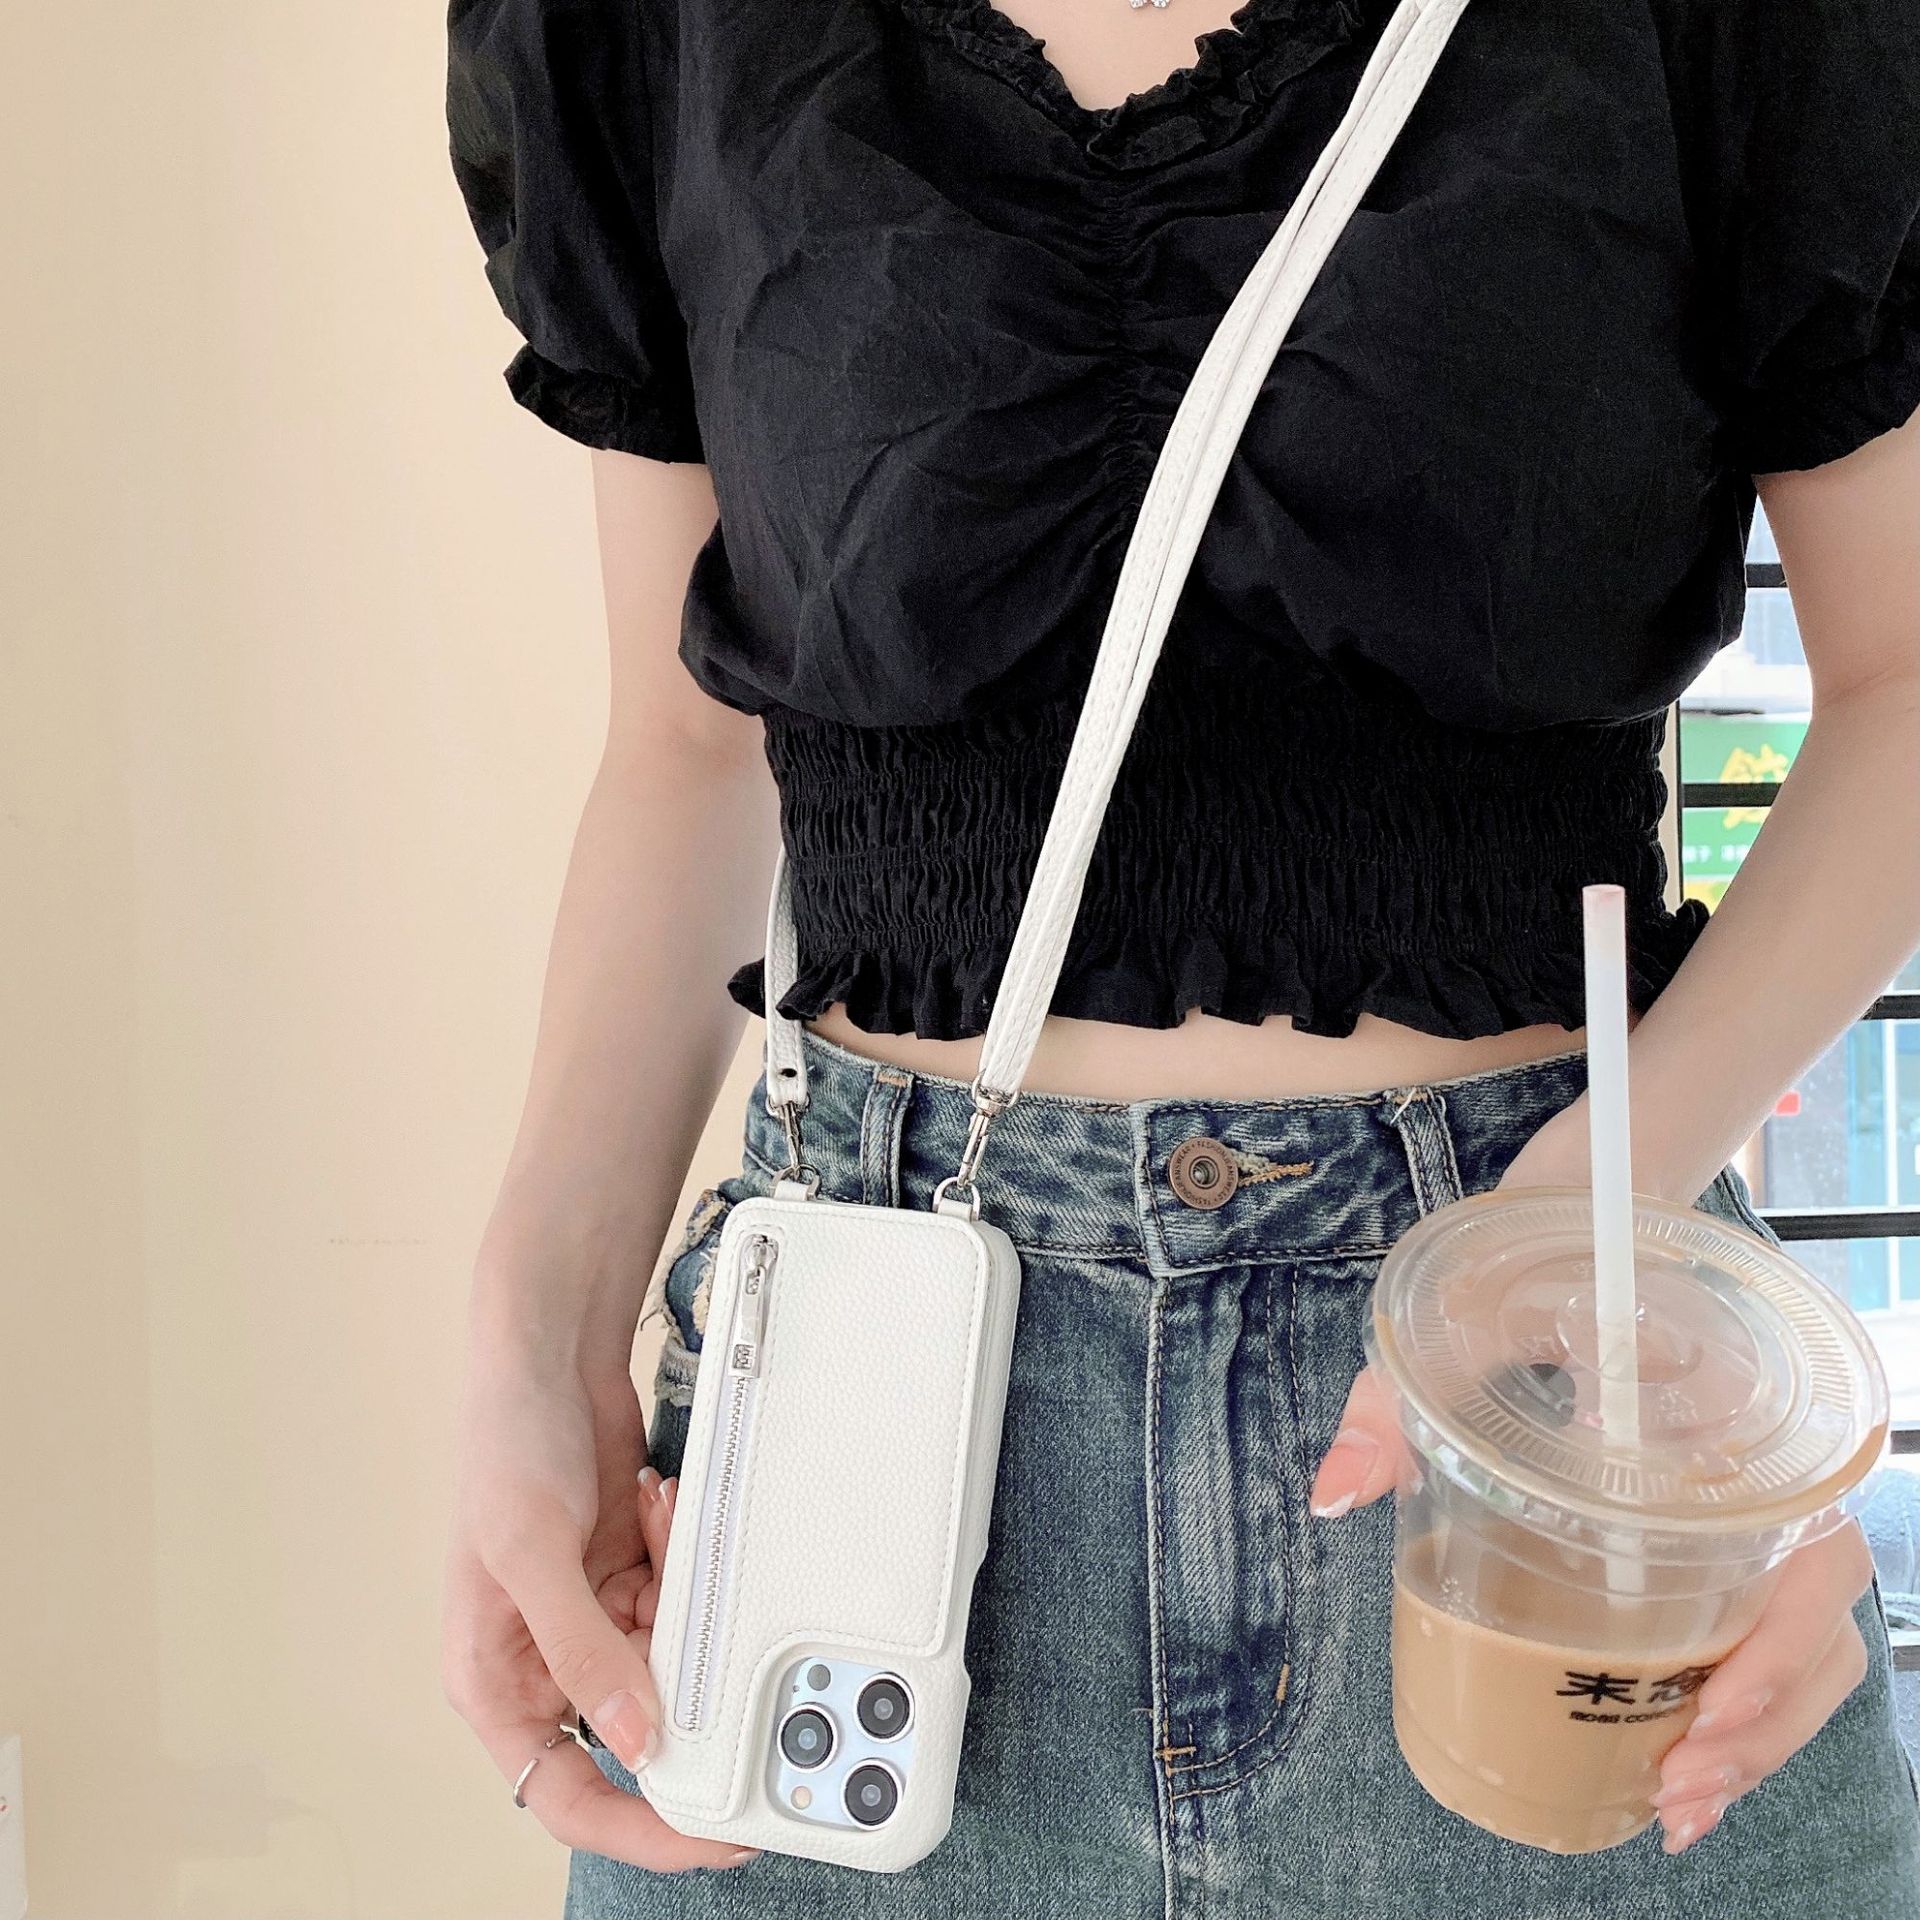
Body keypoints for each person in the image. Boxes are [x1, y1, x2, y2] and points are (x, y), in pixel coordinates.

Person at [439, 0, 1920, 1910]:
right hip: (855, 1451)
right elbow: (689, 746)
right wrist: (531, 1338)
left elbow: (1899, 682)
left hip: (1538, 1385)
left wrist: (1576, 1233)